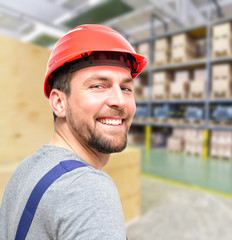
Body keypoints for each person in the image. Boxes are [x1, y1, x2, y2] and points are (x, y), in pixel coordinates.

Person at [0, 24, 147, 239]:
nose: (119, 101)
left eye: (126, 88)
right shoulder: (88, 190)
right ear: (59, 102)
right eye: (98, 86)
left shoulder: (27, 169)